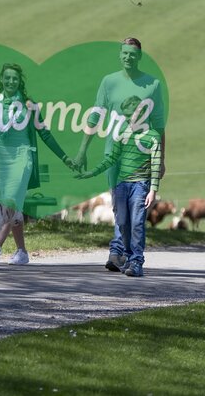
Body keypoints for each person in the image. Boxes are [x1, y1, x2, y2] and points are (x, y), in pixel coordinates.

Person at [70, 38, 166, 272]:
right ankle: (119, 250)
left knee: (136, 208)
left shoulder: (152, 85)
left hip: (141, 155)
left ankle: (126, 256)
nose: (128, 57)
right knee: (119, 206)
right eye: (124, 53)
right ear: (120, 55)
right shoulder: (109, 82)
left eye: (133, 54)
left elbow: (159, 126)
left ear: (139, 56)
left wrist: (161, 159)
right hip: (113, 152)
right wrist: (82, 149)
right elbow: (95, 116)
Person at [0, 63, 74, 265]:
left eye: (15, 78)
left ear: (20, 81)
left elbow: (45, 134)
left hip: (23, 156)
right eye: (7, 78)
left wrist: (64, 157)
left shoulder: (30, 106)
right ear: (1, 80)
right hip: (1, 159)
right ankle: (22, 252)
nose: (11, 81)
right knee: (11, 205)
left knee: (10, 202)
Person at [76, 96, 162, 277]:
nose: (132, 117)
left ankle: (136, 262)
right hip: (121, 185)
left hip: (141, 185)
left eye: (135, 113)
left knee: (137, 223)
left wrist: (153, 189)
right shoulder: (123, 133)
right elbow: (111, 159)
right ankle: (128, 256)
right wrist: (91, 173)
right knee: (122, 223)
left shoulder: (153, 137)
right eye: (128, 115)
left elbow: (156, 165)